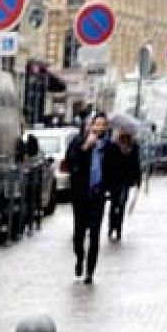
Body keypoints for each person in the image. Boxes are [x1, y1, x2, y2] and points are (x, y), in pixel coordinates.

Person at [65, 113, 123, 284]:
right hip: (80, 195)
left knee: (95, 234)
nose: (99, 128)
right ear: (90, 126)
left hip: (98, 195)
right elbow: (70, 162)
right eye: (96, 124)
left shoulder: (111, 148)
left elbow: (116, 173)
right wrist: (85, 148)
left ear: (106, 127)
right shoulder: (78, 142)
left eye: (102, 125)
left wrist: (115, 197)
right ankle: (79, 257)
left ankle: (90, 270)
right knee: (79, 233)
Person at [108, 131, 143, 242]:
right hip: (114, 180)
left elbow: (136, 163)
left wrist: (138, 180)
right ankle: (111, 227)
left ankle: (118, 229)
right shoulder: (113, 146)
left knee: (122, 204)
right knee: (114, 204)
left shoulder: (133, 146)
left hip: (126, 181)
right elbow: (109, 163)